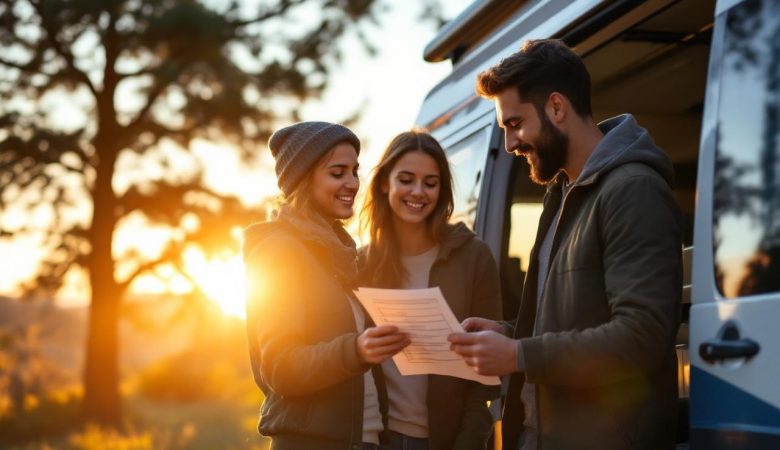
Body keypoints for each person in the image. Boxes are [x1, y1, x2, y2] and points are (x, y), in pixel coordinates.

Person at [447, 39, 682, 450]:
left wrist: (518, 354)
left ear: (556, 107)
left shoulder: (633, 190)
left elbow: (642, 336)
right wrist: (506, 335)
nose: (510, 145)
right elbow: (573, 320)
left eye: (514, 124)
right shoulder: (561, 196)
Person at [243, 121, 410, 450]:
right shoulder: (279, 251)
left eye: (354, 171)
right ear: (304, 179)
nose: (352, 183)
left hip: (365, 440)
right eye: (337, 173)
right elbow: (279, 367)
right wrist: (356, 350)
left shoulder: (340, 254)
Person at [359, 130, 503, 450]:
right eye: (406, 179)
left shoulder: (473, 256)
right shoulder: (362, 264)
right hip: (379, 438)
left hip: (451, 441)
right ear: (385, 183)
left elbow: (488, 370)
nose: (418, 192)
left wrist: (468, 442)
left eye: (430, 182)